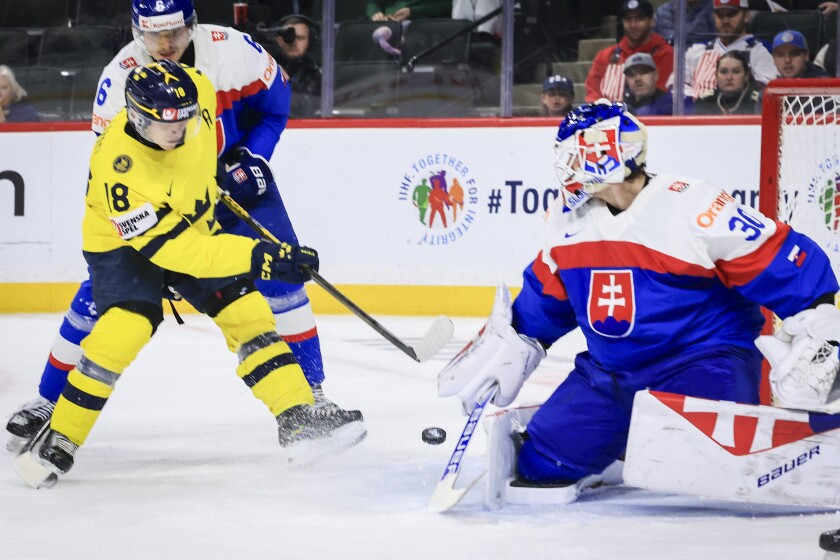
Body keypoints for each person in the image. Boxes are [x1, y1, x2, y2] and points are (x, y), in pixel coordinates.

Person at [5, 0, 364, 454]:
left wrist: (252, 156)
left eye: (176, 31)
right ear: (137, 30)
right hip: (162, 204)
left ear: (193, 24)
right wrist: (164, 252)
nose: (166, 43)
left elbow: (275, 106)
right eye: (154, 33)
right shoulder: (119, 80)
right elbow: (120, 169)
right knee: (102, 299)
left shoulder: (231, 52)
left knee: (287, 279)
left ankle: (310, 401)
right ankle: (47, 402)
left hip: (234, 185)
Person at [437, 100, 838, 499]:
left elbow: (779, 256)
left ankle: (638, 441)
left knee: (704, 471)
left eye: (573, 151)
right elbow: (549, 293)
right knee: (541, 466)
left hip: (701, 364)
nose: (566, 165)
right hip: (610, 376)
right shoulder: (565, 218)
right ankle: (617, 447)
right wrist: (518, 339)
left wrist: (817, 320)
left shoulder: (692, 206)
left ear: (605, 152)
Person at [677, 0, 777, 99]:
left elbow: (766, 91)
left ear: (746, 16)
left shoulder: (761, 49)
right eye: (720, 15)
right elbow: (675, 88)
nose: (725, 21)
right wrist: (696, 104)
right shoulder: (696, 50)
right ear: (714, 17)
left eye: (731, 14)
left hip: (742, 111)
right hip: (699, 112)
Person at [585, 0, 674, 102]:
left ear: (651, 20)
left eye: (639, 18)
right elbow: (592, 92)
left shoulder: (666, 54)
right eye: (628, 19)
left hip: (649, 116)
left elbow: (662, 96)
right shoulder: (605, 56)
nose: (633, 25)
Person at [271, 14, 321, 117]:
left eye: (300, 38)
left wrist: (286, 82)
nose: (294, 43)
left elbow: (308, 108)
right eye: (289, 37)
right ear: (280, 41)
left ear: (310, 41)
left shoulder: (316, 72)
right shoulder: (265, 64)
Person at [694, 50, 761, 115]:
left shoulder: (758, 102)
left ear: (746, 75)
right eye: (723, 72)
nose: (729, 77)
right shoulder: (705, 101)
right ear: (716, 75)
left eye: (736, 71)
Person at [621, 52, 687, 115]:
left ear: (655, 75)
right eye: (631, 74)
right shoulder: (623, 107)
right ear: (627, 80)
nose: (638, 79)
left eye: (643, 72)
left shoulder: (670, 105)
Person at [366, 0, 451, 22]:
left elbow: (447, 5)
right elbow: (374, 3)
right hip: (388, 25)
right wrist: (375, 13)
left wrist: (413, 12)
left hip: (423, 26)